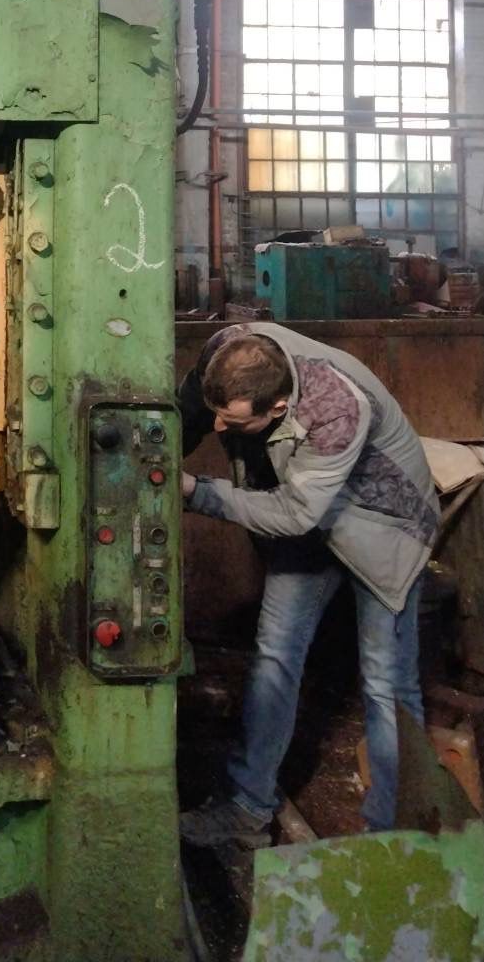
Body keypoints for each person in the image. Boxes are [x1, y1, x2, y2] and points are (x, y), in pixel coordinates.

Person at [177, 322, 438, 847]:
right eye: (217, 412)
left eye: (234, 422)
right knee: (275, 655)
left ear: (278, 408)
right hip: (307, 504)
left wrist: (195, 492)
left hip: (381, 523)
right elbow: (185, 420)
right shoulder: (224, 352)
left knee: (386, 682)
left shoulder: (337, 407)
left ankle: (396, 836)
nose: (220, 428)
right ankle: (247, 810)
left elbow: (296, 514)